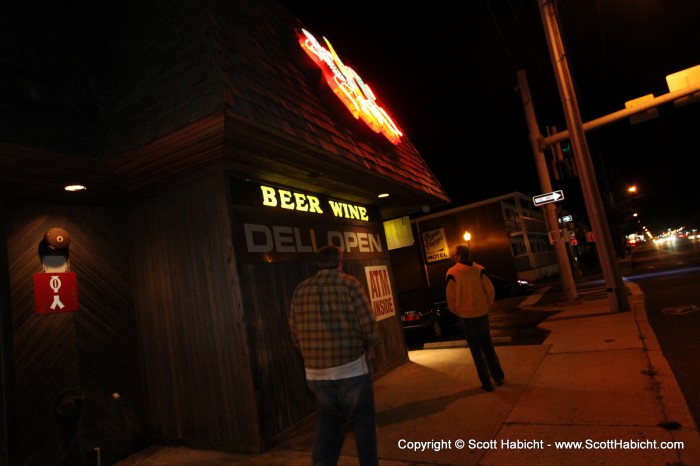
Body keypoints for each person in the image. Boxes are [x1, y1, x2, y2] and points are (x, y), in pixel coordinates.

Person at [289, 245, 380, 466]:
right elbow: (367, 322)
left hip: (316, 373)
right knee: (363, 423)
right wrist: (371, 345)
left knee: (328, 422)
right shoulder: (349, 284)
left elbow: (294, 330)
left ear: (319, 263)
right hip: (351, 368)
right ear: (340, 261)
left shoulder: (301, 289)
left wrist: (309, 355)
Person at [445, 245, 505, 392]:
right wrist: (487, 303)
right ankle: (498, 377)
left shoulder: (452, 273)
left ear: (458, 256)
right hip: (482, 314)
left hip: (466, 317)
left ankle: (487, 384)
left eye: (455, 255)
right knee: (488, 347)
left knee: (477, 352)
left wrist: (456, 310)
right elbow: (490, 290)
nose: (454, 257)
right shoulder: (479, 269)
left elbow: (450, 297)